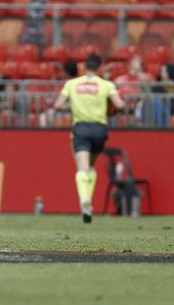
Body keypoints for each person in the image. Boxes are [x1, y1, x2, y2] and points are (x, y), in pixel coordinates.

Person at [53, 54, 125, 223]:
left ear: (84, 67)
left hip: (81, 128)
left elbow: (57, 105)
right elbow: (120, 105)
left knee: (82, 167)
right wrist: (116, 109)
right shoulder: (106, 85)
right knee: (91, 167)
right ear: (99, 67)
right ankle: (88, 201)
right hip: (100, 129)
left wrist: (71, 106)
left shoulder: (72, 84)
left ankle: (85, 201)